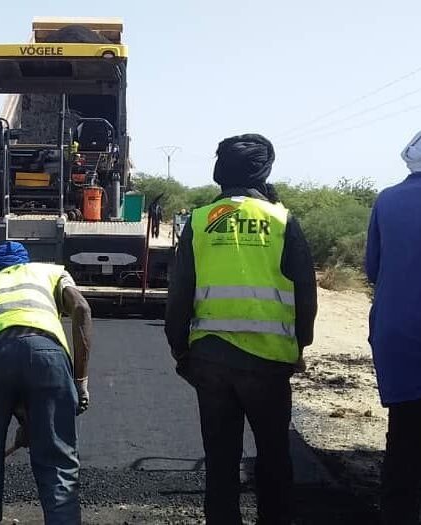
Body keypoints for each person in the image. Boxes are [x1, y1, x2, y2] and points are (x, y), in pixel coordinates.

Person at [165, 134, 317, 525]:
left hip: (211, 361)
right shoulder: (283, 221)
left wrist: (181, 349)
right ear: (264, 170)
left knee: (221, 461)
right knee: (273, 457)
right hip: (268, 364)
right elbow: (305, 293)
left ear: (220, 171)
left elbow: (180, 293)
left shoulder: (200, 221)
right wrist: (300, 346)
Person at [0, 241, 92, 525]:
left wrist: (23, 417)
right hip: (47, 355)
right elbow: (81, 308)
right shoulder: (51, 272)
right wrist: (80, 381)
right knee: (58, 461)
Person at [365, 129, 421, 525]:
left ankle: (396, 512)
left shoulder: (387, 200)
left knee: (404, 432)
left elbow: (372, 268)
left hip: (396, 331)